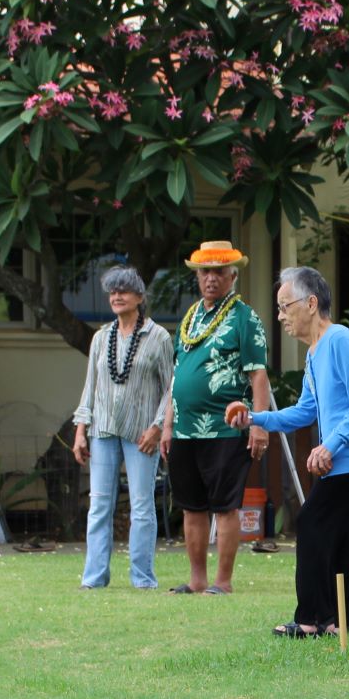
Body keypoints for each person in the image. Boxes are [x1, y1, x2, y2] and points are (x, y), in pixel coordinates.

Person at [227, 266, 349, 637]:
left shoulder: (339, 340)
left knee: (314, 522)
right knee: (339, 531)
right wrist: (253, 418)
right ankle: (346, 621)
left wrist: (331, 444)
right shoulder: (316, 353)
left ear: (311, 303)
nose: (281, 315)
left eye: (286, 306)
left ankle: (312, 619)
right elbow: (304, 411)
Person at [162, 240, 271, 594]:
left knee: (225, 506)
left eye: (218, 272)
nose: (211, 278)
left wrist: (258, 424)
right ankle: (197, 580)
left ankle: (222, 582)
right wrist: (166, 425)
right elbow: (177, 376)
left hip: (227, 428)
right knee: (191, 507)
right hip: (184, 429)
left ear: (232, 276)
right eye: (204, 272)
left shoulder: (245, 318)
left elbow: (258, 375)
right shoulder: (191, 318)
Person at [72, 266, 176, 590]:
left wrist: (159, 427)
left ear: (140, 297)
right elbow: (90, 385)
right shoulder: (101, 337)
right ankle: (94, 578)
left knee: (142, 506)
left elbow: (172, 387)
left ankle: (143, 579)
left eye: (124, 291)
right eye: (112, 291)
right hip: (102, 430)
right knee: (100, 503)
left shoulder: (158, 337)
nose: (117, 296)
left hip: (142, 434)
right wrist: (80, 428)